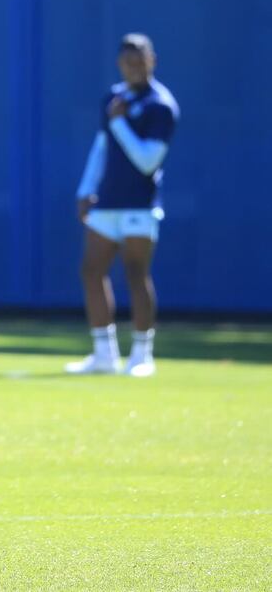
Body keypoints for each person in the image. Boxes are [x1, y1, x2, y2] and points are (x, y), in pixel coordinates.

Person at [67, 33, 178, 378]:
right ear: (119, 64)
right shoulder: (113, 98)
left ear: (152, 61)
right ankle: (104, 354)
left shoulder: (161, 105)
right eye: (128, 62)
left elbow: (147, 161)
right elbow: (102, 147)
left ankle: (142, 355)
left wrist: (119, 122)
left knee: (135, 273)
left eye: (140, 61)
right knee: (91, 271)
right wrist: (86, 189)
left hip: (139, 206)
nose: (133, 67)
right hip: (106, 202)